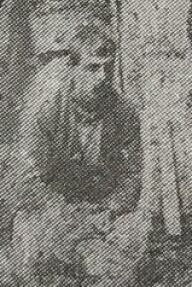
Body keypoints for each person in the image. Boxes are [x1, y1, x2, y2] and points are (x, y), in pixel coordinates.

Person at [12, 22, 143, 286]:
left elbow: (134, 172)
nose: (103, 77)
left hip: (106, 215)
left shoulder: (125, 112)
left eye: (108, 67)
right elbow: (29, 181)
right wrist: (67, 216)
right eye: (92, 67)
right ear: (72, 69)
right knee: (36, 254)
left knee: (133, 251)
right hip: (58, 212)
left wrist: (112, 208)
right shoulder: (46, 115)